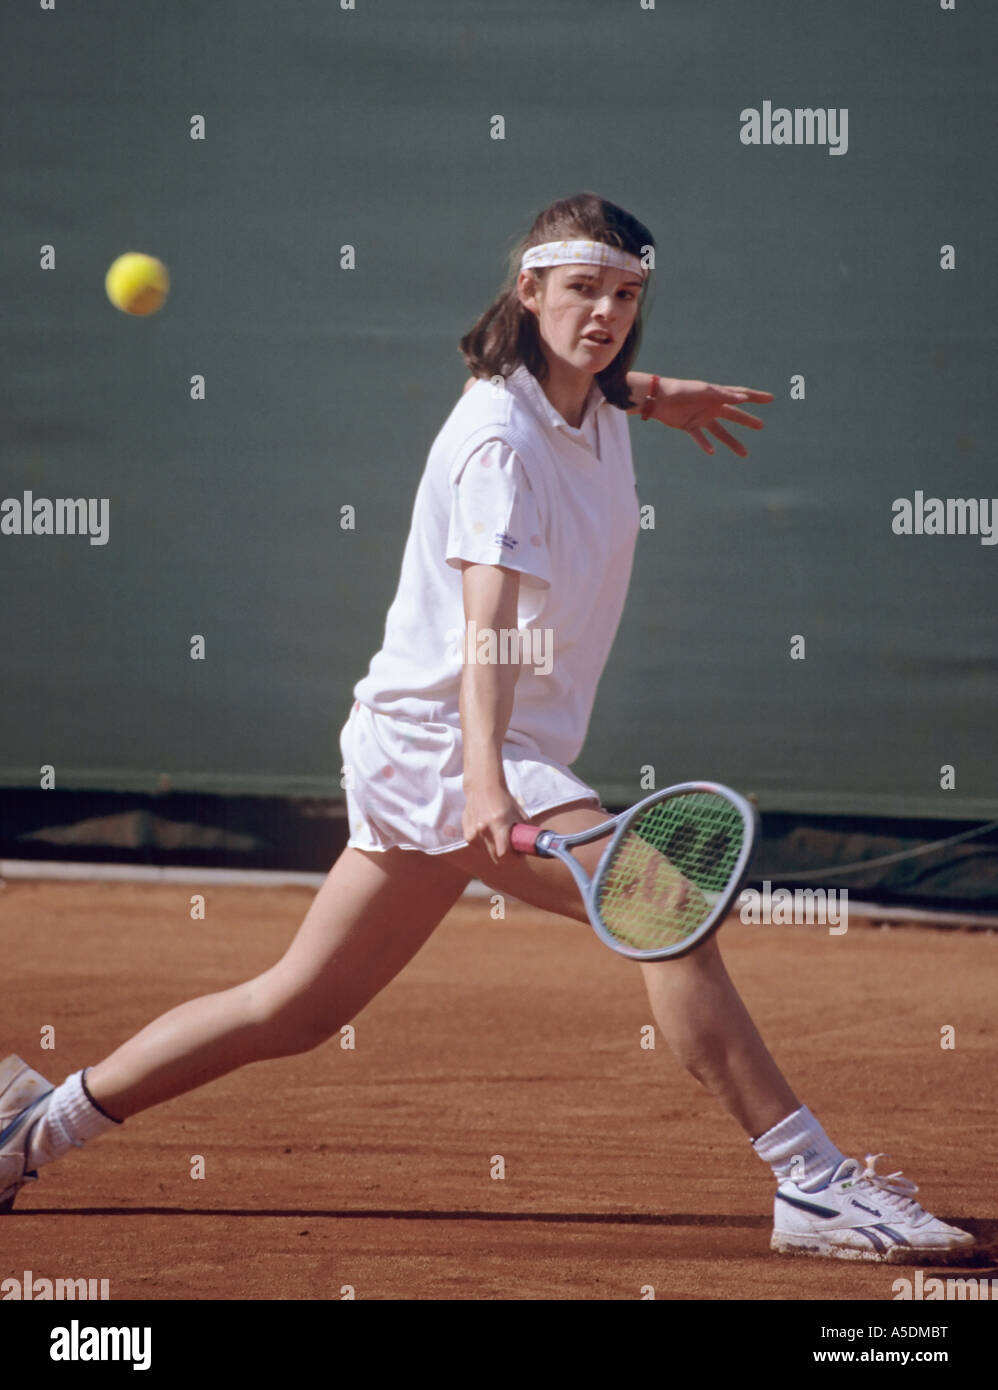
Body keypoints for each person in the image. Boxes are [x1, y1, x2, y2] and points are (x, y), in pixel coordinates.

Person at [1, 193, 973, 1265]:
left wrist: (657, 396)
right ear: (528, 289)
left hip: (439, 746)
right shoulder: (494, 445)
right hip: (449, 745)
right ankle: (812, 1182)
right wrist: (484, 786)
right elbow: (487, 633)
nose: (604, 313)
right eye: (582, 291)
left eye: (625, 295)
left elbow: (588, 387)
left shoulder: (584, 398)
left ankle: (28, 1129)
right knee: (660, 905)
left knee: (294, 1005)